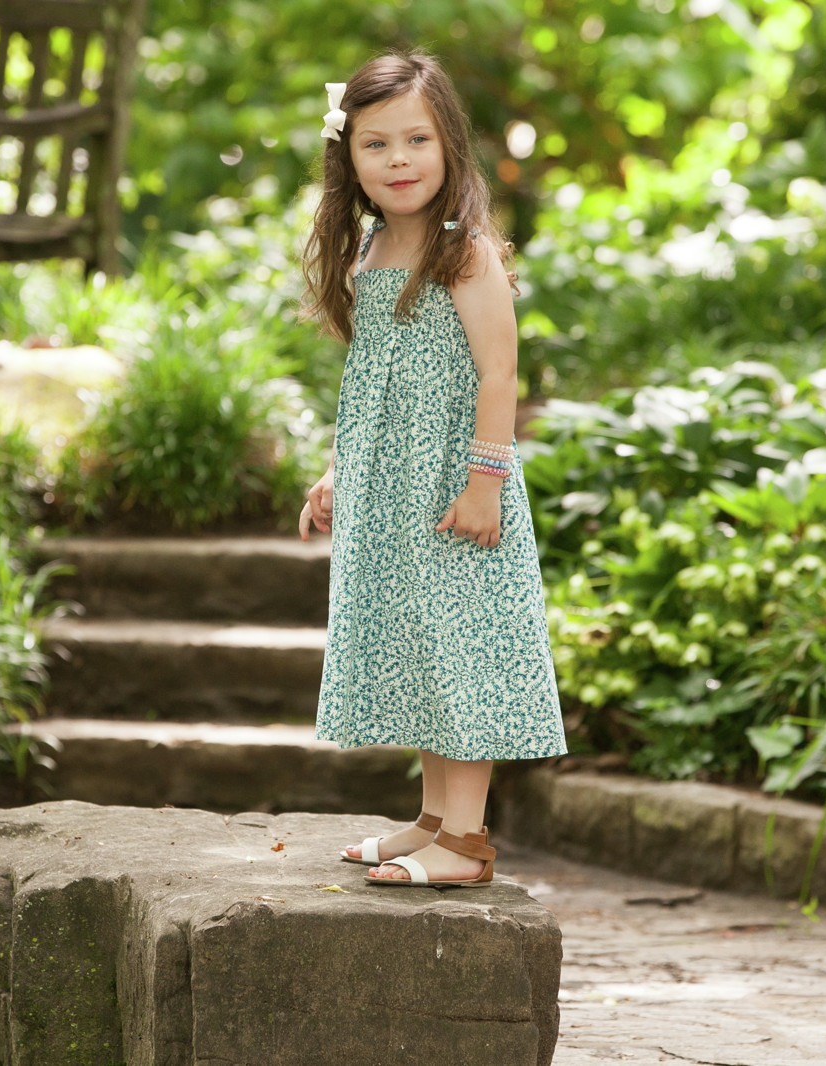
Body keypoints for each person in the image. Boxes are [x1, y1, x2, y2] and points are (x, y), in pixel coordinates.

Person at [296, 50, 568, 887]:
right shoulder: (371, 248)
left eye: (417, 140)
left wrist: (485, 485)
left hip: (454, 488)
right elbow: (369, 379)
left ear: (449, 144)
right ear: (349, 158)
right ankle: (434, 820)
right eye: (376, 144)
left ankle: (468, 840)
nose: (399, 160)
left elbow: (499, 374)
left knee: (460, 646)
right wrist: (339, 471)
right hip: (393, 488)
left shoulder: (465, 251)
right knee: (420, 643)